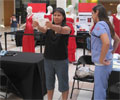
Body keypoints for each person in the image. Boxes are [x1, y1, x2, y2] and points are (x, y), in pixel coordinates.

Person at [33, 7, 71, 100]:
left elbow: (62, 30)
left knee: (63, 83)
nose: (56, 17)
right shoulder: (49, 26)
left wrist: (51, 26)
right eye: (54, 15)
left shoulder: (67, 27)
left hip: (61, 60)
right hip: (48, 59)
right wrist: (38, 26)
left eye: (59, 15)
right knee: (49, 83)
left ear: (63, 17)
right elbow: (44, 30)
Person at [91, 4, 120, 100]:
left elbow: (106, 43)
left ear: (97, 13)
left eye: (92, 13)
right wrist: (110, 54)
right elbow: (117, 40)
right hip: (107, 62)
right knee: (102, 88)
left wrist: (102, 58)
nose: (92, 16)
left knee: (99, 91)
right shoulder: (107, 24)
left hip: (102, 64)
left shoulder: (100, 25)